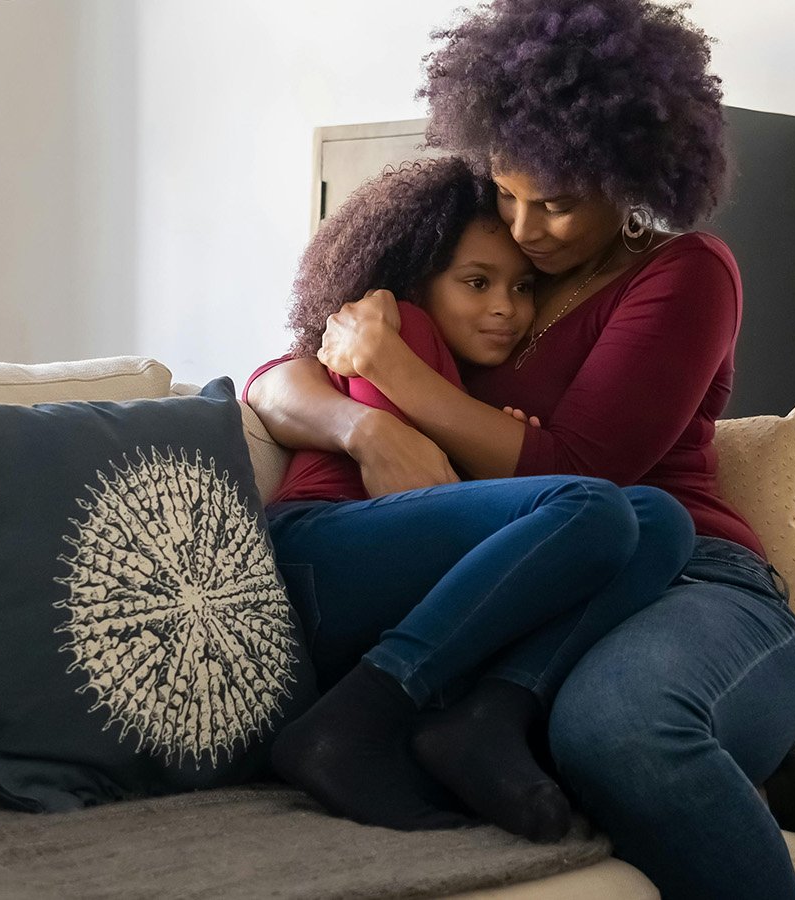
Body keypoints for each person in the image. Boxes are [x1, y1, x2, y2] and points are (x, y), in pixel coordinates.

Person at [246, 1, 795, 895]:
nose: (527, 228)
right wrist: (365, 415)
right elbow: (281, 373)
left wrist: (394, 372)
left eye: (559, 204)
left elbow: (584, 472)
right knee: (533, 710)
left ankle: (779, 779)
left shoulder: (686, 273)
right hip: (536, 594)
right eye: (506, 192)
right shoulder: (477, 270)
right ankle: (786, 785)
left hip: (693, 579)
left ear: (631, 174)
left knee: (625, 724)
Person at [258, 155, 696, 844]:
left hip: (379, 567)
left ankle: (486, 718)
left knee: (661, 519)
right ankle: (351, 724)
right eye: (475, 282)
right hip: (319, 552)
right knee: (596, 508)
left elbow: (453, 498)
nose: (505, 308)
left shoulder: (462, 375)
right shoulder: (392, 325)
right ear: (415, 279)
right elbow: (406, 481)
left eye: (522, 288)